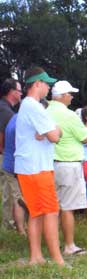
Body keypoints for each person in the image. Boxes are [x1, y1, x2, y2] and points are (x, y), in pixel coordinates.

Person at [15, 67, 65, 265]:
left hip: (28, 167)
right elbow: (54, 136)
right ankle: (58, 260)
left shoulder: (26, 105)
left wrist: (48, 131)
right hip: (37, 168)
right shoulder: (34, 106)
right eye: (46, 84)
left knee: (36, 213)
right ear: (37, 84)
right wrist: (56, 130)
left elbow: (46, 133)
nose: (48, 87)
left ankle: (36, 257)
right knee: (51, 211)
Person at [47, 80, 87, 255]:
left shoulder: (45, 111)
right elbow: (86, 137)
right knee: (67, 207)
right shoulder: (69, 115)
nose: (72, 97)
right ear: (63, 96)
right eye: (70, 94)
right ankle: (69, 246)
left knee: (53, 207)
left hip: (50, 164)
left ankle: (53, 244)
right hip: (68, 164)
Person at [0, 78, 26, 231]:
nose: (21, 94)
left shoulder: (6, 108)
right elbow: (2, 133)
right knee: (11, 193)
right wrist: (3, 150)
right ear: (11, 92)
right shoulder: (5, 110)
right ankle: (9, 225)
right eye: (19, 91)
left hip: (5, 155)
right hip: (5, 156)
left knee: (8, 191)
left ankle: (9, 223)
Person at [2, 113, 27, 235]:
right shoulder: (21, 123)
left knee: (14, 197)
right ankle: (21, 231)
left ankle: (16, 227)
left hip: (9, 163)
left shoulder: (15, 116)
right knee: (19, 198)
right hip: (15, 166)